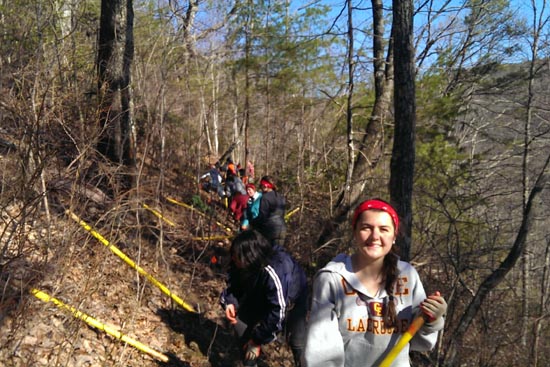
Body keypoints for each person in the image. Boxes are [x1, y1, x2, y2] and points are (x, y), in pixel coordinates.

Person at [304, 199, 447, 367]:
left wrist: (432, 320)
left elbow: (421, 343)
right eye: (366, 228)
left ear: (394, 236)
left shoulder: (408, 276)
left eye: (384, 229)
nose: (375, 236)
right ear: (355, 232)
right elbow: (321, 351)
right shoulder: (332, 279)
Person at [220, 230, 308, 367]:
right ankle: (250, 362)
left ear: (250, 257)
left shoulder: (276, 272)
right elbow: (234, 283)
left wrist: (257, 340)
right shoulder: (241, 263)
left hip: (292, 302)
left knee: (298, 342)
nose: (234, 260)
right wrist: (230, 302)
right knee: (240, 325)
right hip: (260, 295)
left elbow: (278, 313)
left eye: (236, 257)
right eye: (233, 256)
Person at [251, 176, 286, 247]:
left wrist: (253, 223)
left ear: (265, 186)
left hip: (270, 230)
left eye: (261, 185)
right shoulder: (281, 197)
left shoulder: (265, 198)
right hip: (282, 229)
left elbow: (262, 216)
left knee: (267, 253)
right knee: (278, 253)